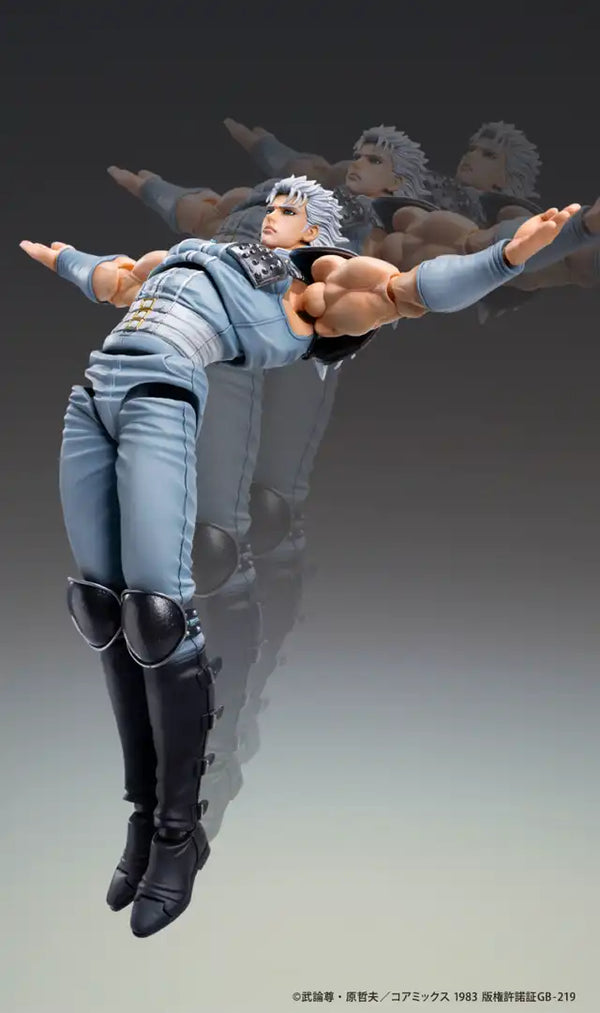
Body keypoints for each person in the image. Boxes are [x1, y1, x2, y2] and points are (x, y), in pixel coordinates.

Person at [21, 175, 579, 939]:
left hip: (162, 391)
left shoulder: (314, 284)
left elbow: (413, 289)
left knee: (156, 614)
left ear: (316, 231)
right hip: (94, 393)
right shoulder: (195, 253)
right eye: (270, 204)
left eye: (287, 210)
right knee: (98, 607)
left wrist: (506, 259)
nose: (268, 215)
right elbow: (118, 279)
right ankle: (142, 816)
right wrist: (65, 259)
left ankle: (178, 835)